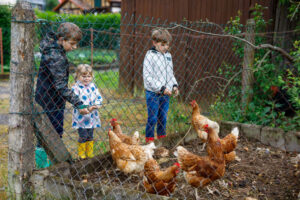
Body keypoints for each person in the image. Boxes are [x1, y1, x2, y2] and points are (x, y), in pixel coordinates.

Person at [35, 22, 89, 167]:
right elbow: (60, 86)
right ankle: (44, 165)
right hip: (50, 100)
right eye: (72, 43)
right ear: (61, 39)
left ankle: (45, 163)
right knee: (51, 132)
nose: (74, 47)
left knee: (45, 131)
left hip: (47, 97)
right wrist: (79, 103)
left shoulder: (53, 49)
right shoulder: (56, 56)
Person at [143, 28, 179, 143]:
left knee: (163, 118)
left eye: (167, 45)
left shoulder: (168, 56)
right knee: (152, 118)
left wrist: (174, 85)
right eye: (163, 45)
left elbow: (170, 74)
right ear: (154, 43)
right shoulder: (150, 55)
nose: (165, 48)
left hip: (166, 93)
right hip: (153, 93)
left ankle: (162, 140)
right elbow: (148, 77)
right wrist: (162, 88)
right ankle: (149, 140)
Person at [72, 64, 103, 159]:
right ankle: (81, 154)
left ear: (92, 76)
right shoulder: (75, 88)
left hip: (92, 116)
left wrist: (96, 104)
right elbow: (74, 101)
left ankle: (90, 153)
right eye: (83, 76)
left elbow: (99, 97)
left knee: (90, 135)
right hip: (81, 117)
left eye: (89, 76)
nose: (86, 79)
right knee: (83, 135)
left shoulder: (93, 86)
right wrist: (83, 107)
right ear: (77, 75)